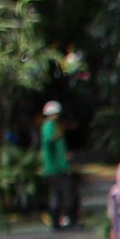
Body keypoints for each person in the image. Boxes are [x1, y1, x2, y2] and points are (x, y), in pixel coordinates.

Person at [37, 98, 77, 229]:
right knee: (61, 194)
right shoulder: (48, 126)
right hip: (54, 168)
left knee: (62, 194)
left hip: (61, 166)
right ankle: (60, 221)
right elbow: (49, 141)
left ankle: (64, 220)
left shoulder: (55, 126)